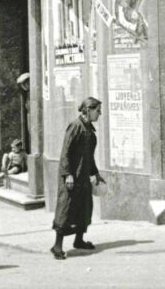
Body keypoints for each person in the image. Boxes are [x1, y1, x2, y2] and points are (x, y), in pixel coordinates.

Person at [51, 97, 106, 260]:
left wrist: (95, 173)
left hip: (83, 177)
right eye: (98, 110)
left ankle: (79, 240)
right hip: (71, 177)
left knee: (84, 207)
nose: (100, 114)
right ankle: (57, 246)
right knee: (66, 209)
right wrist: (67, 174)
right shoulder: (75, 126)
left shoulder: (88, 128)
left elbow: (89, 156)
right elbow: (65, 152)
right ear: (88, 110)